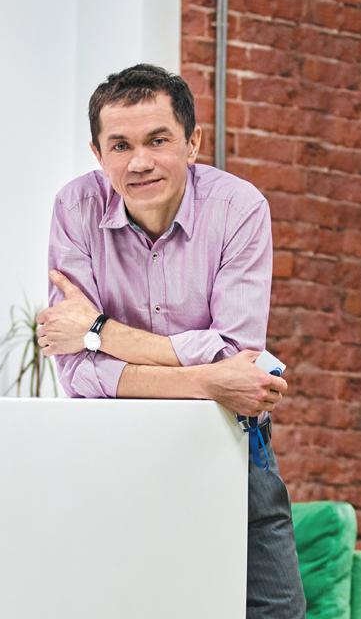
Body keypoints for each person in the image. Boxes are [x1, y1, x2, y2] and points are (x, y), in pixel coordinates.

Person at [36, 64, 305, 617]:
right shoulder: (75, 208)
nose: (139, 162)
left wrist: (99, 332)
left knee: (275, 610)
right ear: (97, 153)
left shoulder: (238, 209)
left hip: (228, 441)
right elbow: (78, 372)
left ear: (192, 143)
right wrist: (207, 379)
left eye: (158, 140)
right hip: (113, 451)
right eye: (121, 145)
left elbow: (235, 355)